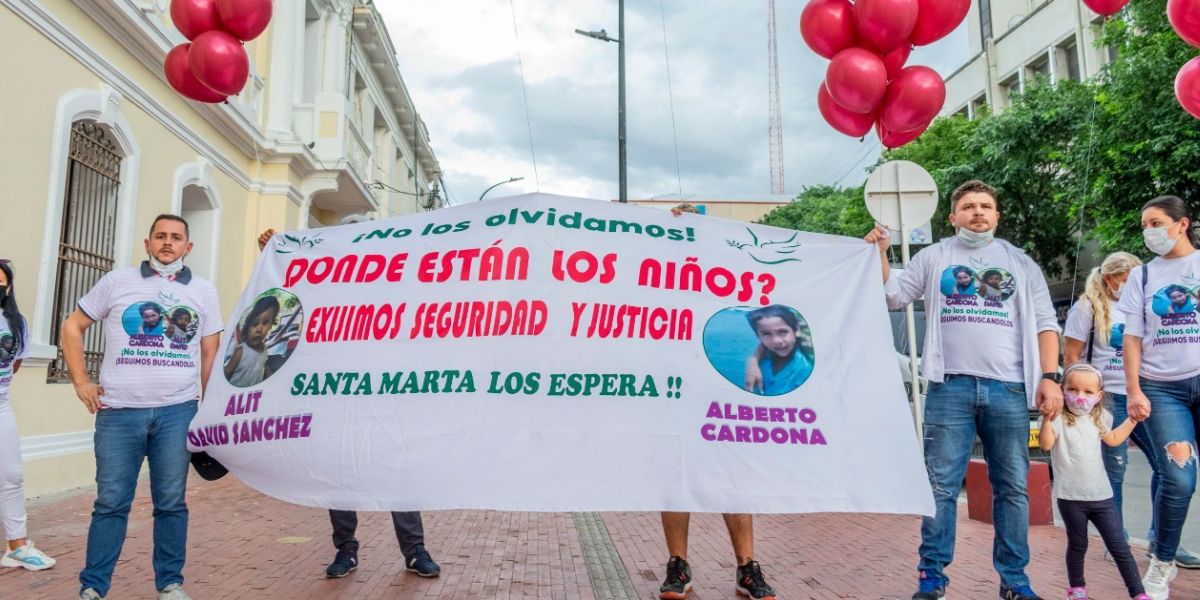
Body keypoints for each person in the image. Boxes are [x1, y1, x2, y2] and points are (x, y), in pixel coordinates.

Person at [865, 180, 1062, 600]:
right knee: (939, 485)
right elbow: (894, 296)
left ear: (996, 215)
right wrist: (881, 254)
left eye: (986, 206)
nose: (978, 212)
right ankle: (932, 575)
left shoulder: (1021, 262)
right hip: (948, 386)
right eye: (969, 206)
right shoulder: (934, 257)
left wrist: (1050, 376)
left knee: (1011, 486)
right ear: (953, 217)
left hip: (1008, 389)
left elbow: (1047, 323)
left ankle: (1015, 580)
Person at [255, 228, 442, 581]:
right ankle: (346, 549)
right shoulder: (328, 289)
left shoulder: (396, 285)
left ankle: (415, 551)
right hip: (338, 399)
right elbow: (293, 296)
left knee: (398, 473)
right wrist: (276, 255)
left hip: (387, 399)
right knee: (340, 473)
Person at [62, 215, 223, 600]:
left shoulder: (203, 291)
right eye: (161, 236)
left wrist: (211, 408)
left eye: (176, 237)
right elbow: (72, 327)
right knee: (111, 503)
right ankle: (93, 587)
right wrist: (81, 382)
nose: (168, 243)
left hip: (177, 413)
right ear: (148, 243)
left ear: (189, 247)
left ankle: (169, 584)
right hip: (119, 414)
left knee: (171, 503)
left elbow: (209, 352)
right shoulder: (118, 282)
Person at [661, 203, 778, 600]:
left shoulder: (731, 276)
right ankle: (678, 565)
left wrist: (754, 359)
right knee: (676, 476)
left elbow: (764, 317)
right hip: (676, 390)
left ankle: (747, 567)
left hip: (724, 391)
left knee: (734, 477)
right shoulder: (658, 278)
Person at [1116, 194, 1200, 600]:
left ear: (1181, 224)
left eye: (1156, 222)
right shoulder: (1143, 276)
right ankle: (1162, 561)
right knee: (1179, 478)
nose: (1149, 231)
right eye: (1145, 224)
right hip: (1163, 389)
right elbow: (1132, 337)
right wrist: (1134, 389)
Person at [1038, 363, 1151, 600]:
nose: (1080, 397)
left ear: (1098, 396)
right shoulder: (1057, 419)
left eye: (1088, 392)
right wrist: (1047, 419)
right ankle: (1076, 588)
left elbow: (1113, 439)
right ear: (1062, 389)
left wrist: (1132, 420)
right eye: (1073, 390)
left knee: (1119, 546)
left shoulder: (1100, 417)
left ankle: (1138, 593)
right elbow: (1046, 445)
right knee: (1078, 544)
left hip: (1101, 496)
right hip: (1070, 497)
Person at [0, 260, 56, 571]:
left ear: (8, 288)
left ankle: (17, 546)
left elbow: (14, 365)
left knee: (11, 475)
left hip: (1, 404)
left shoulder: (16, 323)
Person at [743, 305, 813, 395]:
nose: (776, 341)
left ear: (797, 330)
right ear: (758, 336)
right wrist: (753, 361)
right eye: (766, 334)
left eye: (783, 332)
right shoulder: (763, 362)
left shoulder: (805, 369)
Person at [223, 295, 279, 387]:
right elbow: (227, 373)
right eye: (255, 324)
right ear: (247, 327)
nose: (259, 329)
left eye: (265, 323)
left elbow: (263, 365)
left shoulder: (264, 350)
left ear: (271, 325)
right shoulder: (241, 351)